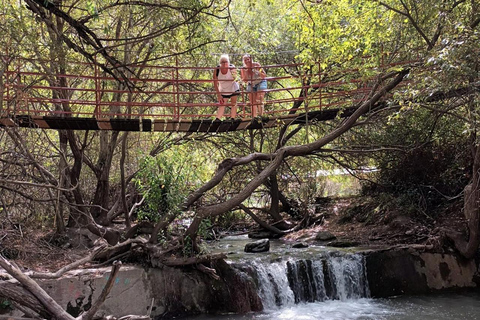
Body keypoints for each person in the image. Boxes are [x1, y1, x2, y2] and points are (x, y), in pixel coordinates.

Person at [213, 54, 240, 119]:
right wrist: (218, 94)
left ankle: (232, 118)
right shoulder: (217, 70)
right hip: (223, 89)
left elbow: (236, 78)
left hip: (233, 88)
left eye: (226, 62)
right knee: (222, 103)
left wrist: (233, 73)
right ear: (220, 63)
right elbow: (215, 82)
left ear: (228, 62)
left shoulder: (231, 68)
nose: (225, 63)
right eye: (223, 62)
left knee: (233, 103)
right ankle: (218, 119)